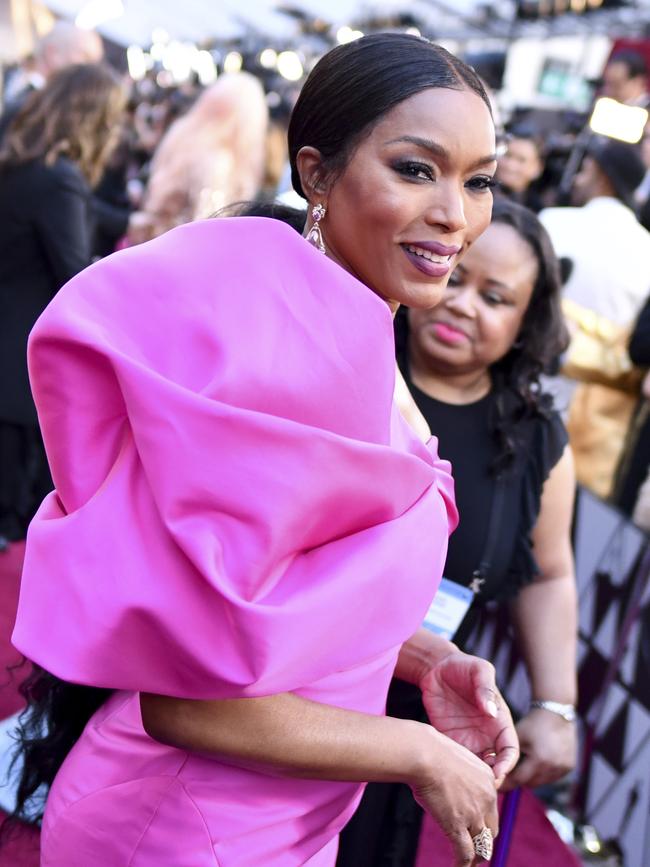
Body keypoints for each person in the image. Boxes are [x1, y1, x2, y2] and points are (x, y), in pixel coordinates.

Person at [9, 34, 519, 866]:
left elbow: (275, 608)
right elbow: (191, 700)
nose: (456, 215)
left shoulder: (350, 326)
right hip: (180, 829)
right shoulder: (269, 350)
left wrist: (419, 657)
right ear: (316, 174)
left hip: (270, 824)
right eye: (417, 169)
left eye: (480, 179)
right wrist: (418, 749)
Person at [337, 198, 577, 867]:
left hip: (420, 710)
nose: (464, 304)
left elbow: (551, 572)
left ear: (527, 322)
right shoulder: (346, 363)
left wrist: (558, 705)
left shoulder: (537, 438)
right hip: (295, 690)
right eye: (457, 275)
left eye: (496, 297)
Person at [0, 63, 126, 548]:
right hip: (19, 361)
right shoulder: (59, 177)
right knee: (13, 519)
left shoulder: (21, 157)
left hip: (9, 326)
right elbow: (74, 276)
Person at [540, 136, 650, 497]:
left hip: (534, 386)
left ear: (601, 174)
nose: (578, 177)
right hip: (604, 425)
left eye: (586, 168)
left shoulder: (555, 221)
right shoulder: (646, 251)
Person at [127, 72, 268, 244]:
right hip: (176, 251)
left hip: (148, 241)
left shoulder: (181, 133)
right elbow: (208, 225)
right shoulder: (219, 162)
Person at [0, 22, 104, 139]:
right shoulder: (7, 73)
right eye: (85, 57)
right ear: (52, 52)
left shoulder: (61, 118)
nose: (90, 70)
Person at [494, 128, 545, 212]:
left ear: (538, 168)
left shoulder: (540, 212)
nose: (510, 166)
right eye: (507, 155)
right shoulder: (477, 197)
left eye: (521, 160)